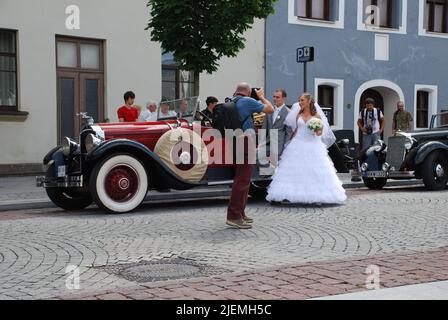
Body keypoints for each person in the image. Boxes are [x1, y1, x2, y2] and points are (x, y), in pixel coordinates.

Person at [266, 93, 346, 205]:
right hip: (297, 143)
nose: (300, 102)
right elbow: (296, 131)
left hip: (312, 144)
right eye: (299, 100)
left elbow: (319, 133)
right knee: (292, 171)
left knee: (313, 171)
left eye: (302, 100)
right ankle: (287, 194)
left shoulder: (317, 116)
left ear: (309, 101)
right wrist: (289, 144)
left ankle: (315, 196)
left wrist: (317, 129)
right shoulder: (298, 115)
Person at [226, 83, 274, 229]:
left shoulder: (231, 101)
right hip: (245, 141)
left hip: (233, 141)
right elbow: (270, 109)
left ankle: (240, 213)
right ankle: (234, 215)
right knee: (243, 180)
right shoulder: (247, 101)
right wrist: (261, 97)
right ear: (248, 92)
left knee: (242, 178)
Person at [258, 89, 292, 172]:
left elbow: (288, 133)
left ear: (284, 98)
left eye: (278, 97)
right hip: (267, 143)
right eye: (274, 97)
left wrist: (285, 148)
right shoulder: (269, 110)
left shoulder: (288, 112)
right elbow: (264, 128)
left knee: (275, 169)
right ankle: (264, 179)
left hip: (279, 144)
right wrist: (260, 144)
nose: (275, 99)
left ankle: (270, 179)